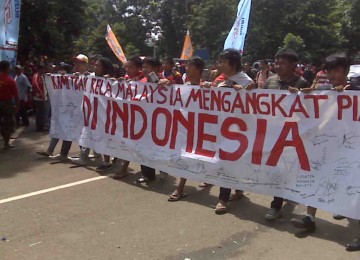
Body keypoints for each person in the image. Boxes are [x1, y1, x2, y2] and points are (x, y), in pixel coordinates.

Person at [290, 53, 360, 241]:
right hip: (329, 144)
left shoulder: (355, 91)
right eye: (329, 70)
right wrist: (304, 97)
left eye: (336, 70)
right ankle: (309, 217)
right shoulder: (324, 91)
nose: (332, 75)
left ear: (345, 71)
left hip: (352, 147)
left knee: (354, 185)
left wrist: (347, 93)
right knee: (317, 176)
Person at [263, 48, 310, 221]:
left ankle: (276, 206)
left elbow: (308, 109)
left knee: (285, 168)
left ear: (293, 65)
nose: (278, 66)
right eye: (276, 62)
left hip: (292, 135)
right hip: (272, 133)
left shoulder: (301, 83)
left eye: (282, 63)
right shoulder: (270, 82)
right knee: (277, 168)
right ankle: (284, 194)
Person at [207, 49, 254, 214]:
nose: (220, 65)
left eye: (223, 62)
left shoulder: (246, 81)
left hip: (238, 129)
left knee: (227, 162)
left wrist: (240, 89)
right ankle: (238, 190)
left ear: (233, 64)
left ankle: (223, 199)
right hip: (221, 126)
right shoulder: (220, 79)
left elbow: (254, 100)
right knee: (227, 161)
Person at [168, 56, 206, 201]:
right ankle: (180, 187)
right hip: (186, 127)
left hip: (203, 127)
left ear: (198, 69)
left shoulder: (207, 87)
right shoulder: (183, 86)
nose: (186, 69)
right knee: (186, 153)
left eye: (189, 66)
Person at [112, 56, 144, 180]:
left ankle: (125, 168)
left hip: (142, 117)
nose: (127, 69)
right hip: (130, 117)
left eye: (131, 67)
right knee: (129, 142)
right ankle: (124, 167)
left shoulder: (144, 79)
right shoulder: (125, 79)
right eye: (126, 67)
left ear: (138, 68)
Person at [93, 57, 117, 172]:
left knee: (109, 137)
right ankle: (107, 160)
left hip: (111, 114)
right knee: (103, 136)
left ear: (105, 68)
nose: (95, 67)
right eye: (95, 65)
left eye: (98, 65)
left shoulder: (112, 80)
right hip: (99, 113)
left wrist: (113, 81)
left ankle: (109, 160)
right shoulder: (92, 79)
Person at [0, 61, 19, 149]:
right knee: (8, 123)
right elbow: (15, 95)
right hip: (6, 104)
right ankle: (6, 144)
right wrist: (17, 105)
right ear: (7, 68)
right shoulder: (10, 80)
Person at [32, 63, 48, 131]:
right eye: (43, 69)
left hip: (43, 97)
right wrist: (40, 93)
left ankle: (42, 125)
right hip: (38, 98)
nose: (44, 70)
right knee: (39, 112)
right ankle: (39, 127)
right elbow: (35, 84)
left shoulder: (43, 76)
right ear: (40, 69)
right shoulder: (36, 76)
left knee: (42, 112)